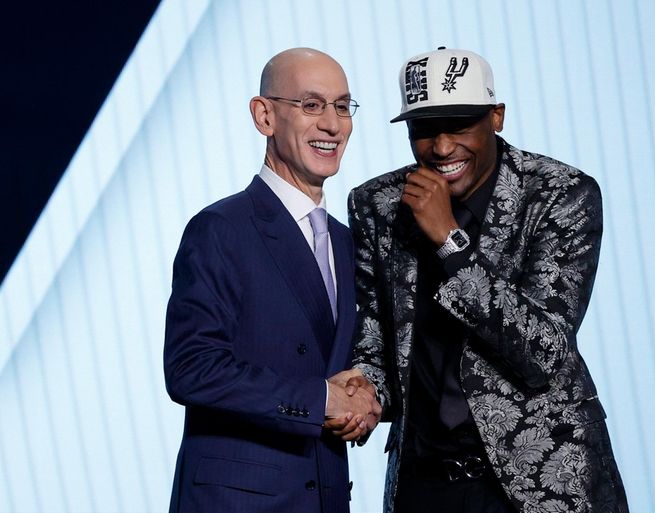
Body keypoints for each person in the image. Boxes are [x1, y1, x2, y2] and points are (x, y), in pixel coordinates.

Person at [348, 48, 629, 513]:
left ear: (496, 116)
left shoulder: (559, 195)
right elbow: (375, 338)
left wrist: (449, 241)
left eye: (458, 125)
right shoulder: (378, 204)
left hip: (536, 484)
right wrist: (362, 389)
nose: (441, 147)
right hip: (423, 483)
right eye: (423, 129)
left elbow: (545, 353)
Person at [164, 47, 379, 513]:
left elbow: (347, 363)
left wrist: (367, 396)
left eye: (343, 106)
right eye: (311, 104)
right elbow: (192, 369)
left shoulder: (348, 243)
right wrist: (322, 400)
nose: (332, 124)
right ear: (264, 116)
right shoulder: (221, 228)